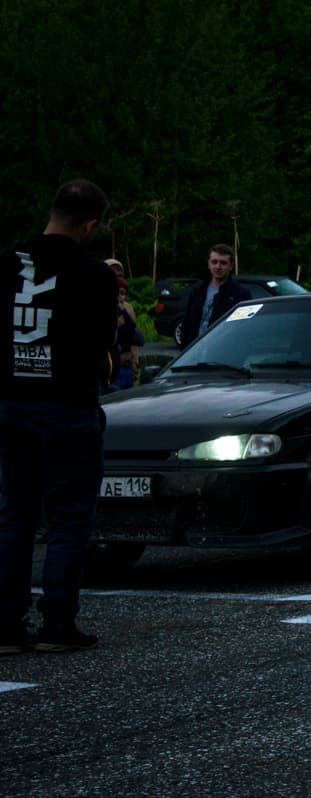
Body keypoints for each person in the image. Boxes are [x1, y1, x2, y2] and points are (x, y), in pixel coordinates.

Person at [0, 179, 117, 653]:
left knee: (14, 515)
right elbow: (103, 344)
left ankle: (6, 625)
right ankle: (58, 622)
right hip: (67, 404)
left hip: (10, 402)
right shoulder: (93, 272)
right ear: (90, 224)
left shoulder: (8, 260)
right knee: (69, 519)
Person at [180, 244, 251, 346]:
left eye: (223, 263)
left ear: (231, 266)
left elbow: (243, 328)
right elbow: (186, 324)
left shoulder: (240, 295)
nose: (218, 267)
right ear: (209, 264)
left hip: (222, 353)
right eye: (214, 262)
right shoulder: (197, 291)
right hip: (195, 351)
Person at [109, 276, 145, 390]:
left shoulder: (126, 312)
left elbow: (140, 340)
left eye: (122, 293)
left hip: (127, 369)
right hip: (112, 371)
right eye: (117, 293)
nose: (120, 297)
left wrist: (126, 318)